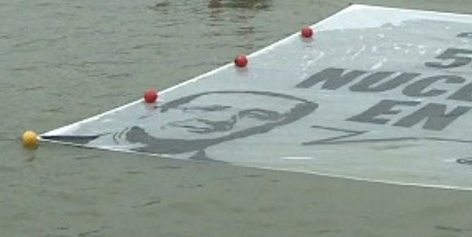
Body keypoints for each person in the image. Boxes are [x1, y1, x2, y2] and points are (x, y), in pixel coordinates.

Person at [46, 90, 319, 160]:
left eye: (258, 116)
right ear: (167, 107)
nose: (225, 120)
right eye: (213, 109)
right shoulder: (75, 140)